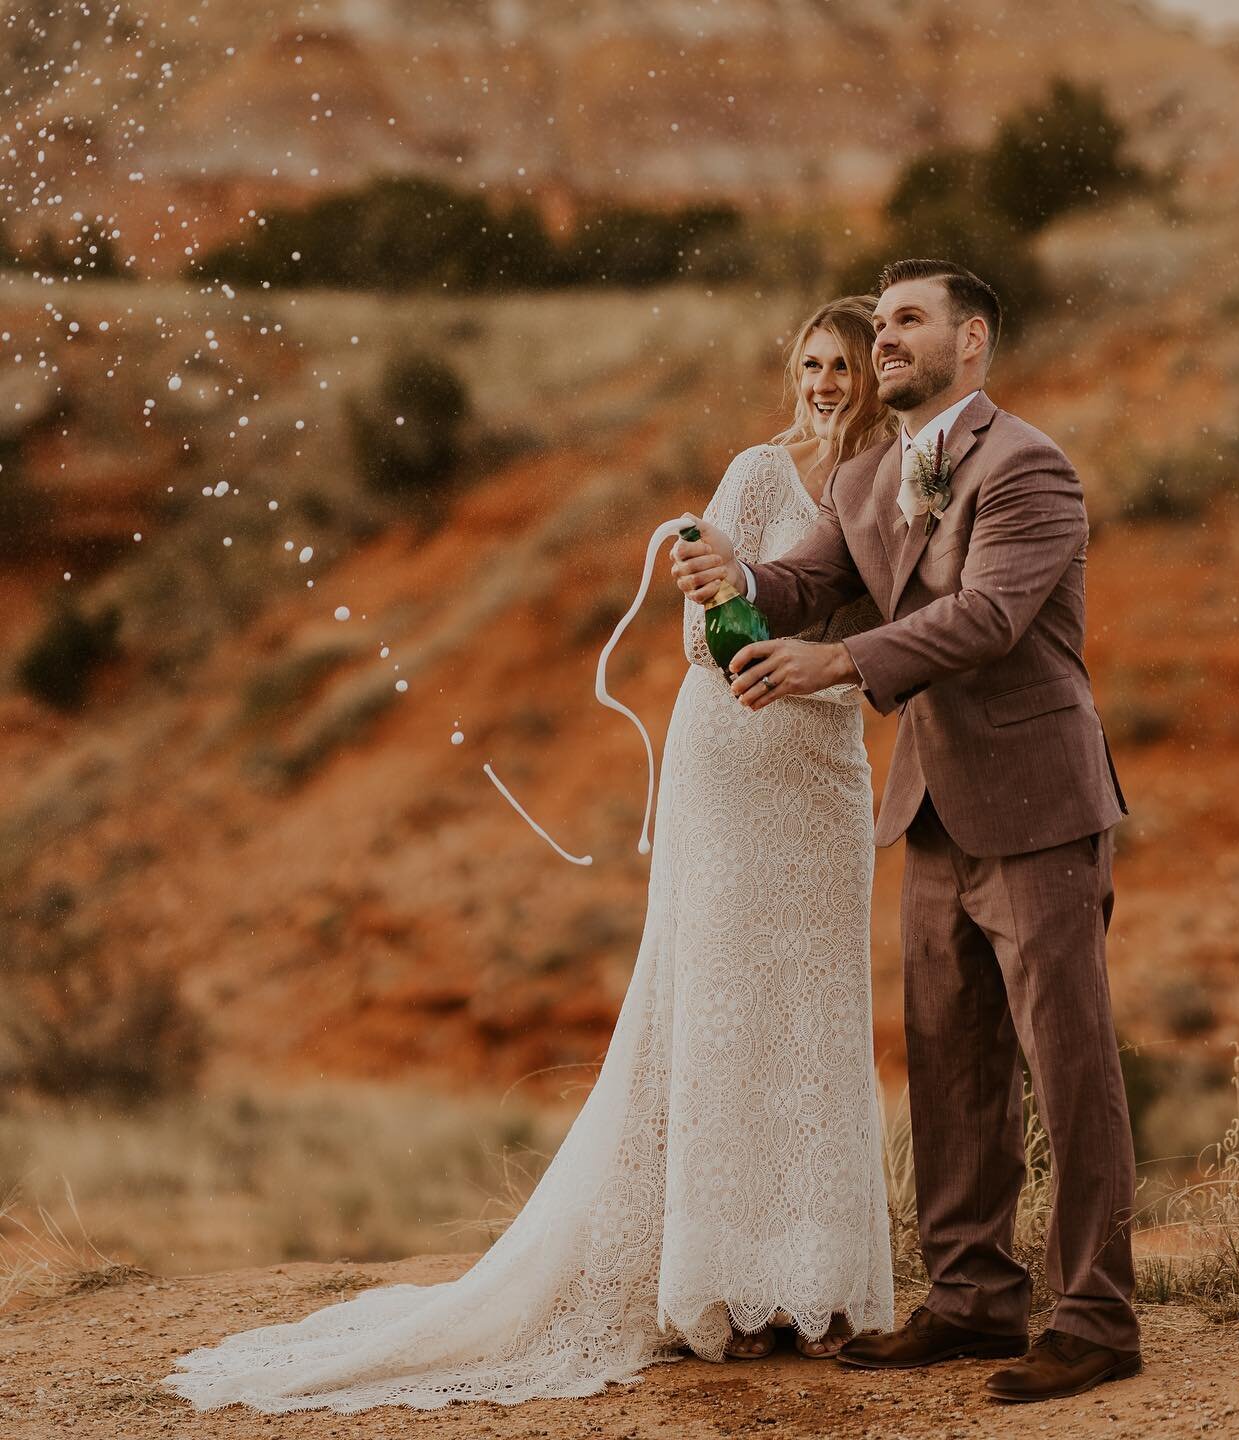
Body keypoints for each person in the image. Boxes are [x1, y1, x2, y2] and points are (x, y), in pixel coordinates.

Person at [160, 296, 896, 1414]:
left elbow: (903, 613)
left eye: (845, 363)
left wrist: (823, 662)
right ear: (791, 368)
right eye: (812, 360)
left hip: (829, 771)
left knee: (817, 1009)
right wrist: (742, 614)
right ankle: (721, 1293)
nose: (827, 380)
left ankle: (824, 1286)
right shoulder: (757, 472)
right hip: (735, 759)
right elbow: (700, 635)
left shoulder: (894, 479)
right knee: (723, 1005)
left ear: (878, 378)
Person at [673, 258, 1139, 1404]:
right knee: (950, 1058)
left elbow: (983, 618)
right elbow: (808, 579)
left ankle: (1096, 1318)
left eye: (909, 320)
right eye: (879, 321)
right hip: (929, 806)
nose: (885, 339)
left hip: (1038, 805)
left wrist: (838, 662)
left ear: (971, 340)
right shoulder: (877, 474)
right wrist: (738, 574)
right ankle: (975, 1297)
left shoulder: (1029, 466)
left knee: (1066, 1062)